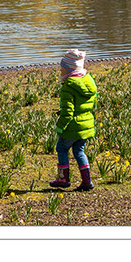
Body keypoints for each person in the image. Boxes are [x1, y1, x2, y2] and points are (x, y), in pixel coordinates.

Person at [49, 48, 97, 191]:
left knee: (62, 148)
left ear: (69, 70)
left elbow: (68, 112)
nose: (60, 71)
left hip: (72, 127)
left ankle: (63, 179)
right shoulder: (89, 82)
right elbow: (93, 104)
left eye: (62, 68)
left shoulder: (68, 86)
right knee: (79, 151)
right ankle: (87, 181)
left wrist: (60, 127)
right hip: (86, 125)